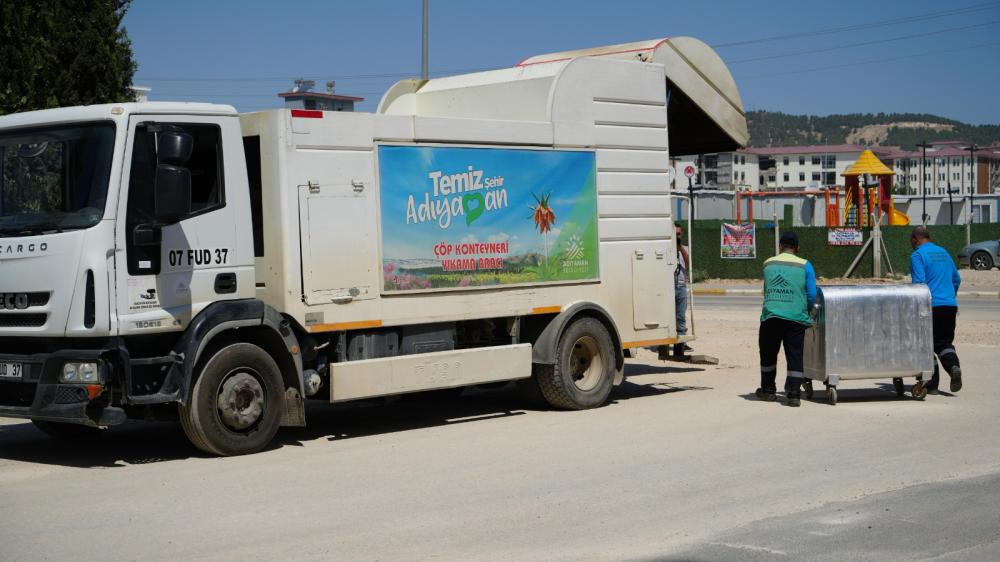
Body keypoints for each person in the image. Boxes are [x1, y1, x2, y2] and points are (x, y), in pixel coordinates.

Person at [756, 232, 816, 407]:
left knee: (768, 354)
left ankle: (767, 390)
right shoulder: (806, 265)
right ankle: (793, 395)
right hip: (796, 318)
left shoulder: (768, 263)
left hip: (771, 317)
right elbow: (811, 294)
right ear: (797, 248)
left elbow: (766, 290)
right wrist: (807, 309)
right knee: (795, 355)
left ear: (780, 246)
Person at [909, 226, 962, 393]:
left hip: (930, 306)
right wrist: (949, 296)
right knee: (944, 343)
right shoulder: (944, 252)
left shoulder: (918, 255)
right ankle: (953, 366)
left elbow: (919, 283)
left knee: (924, 344)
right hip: (949, 305)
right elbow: (956, 278)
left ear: (915, 239)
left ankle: (931, 384)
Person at [673, 224, 692, 357]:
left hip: (680, 286)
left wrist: (680, 249)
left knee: (680, 316)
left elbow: (689, 263)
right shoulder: (666, 248)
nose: (677, 236)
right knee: (667, 316)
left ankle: (681, 343)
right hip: (668, 287)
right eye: (675, 234)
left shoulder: (685, 248)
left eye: (679, 234)